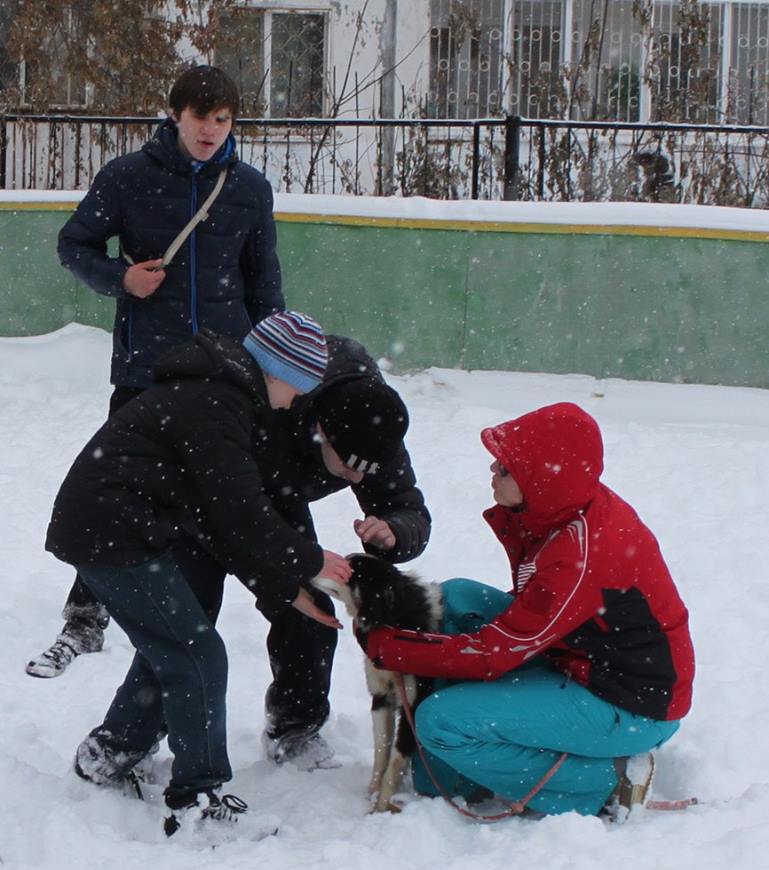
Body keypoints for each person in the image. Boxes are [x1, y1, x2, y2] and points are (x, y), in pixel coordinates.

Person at [45, 311, 351, 836]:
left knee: (176, 646)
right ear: (278, 372)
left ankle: (110, 753)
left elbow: (222, 518)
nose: (297, 401)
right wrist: (311, 560)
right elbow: (240, 512)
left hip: (115, 527)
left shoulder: (221, 394)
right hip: (113, 533)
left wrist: (284, 584)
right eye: (299, 387)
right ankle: (197, 800)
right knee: (197, 652)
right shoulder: (218, 402)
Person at [27, 63, 285, 678]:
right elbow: (74, 244)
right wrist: (122, 279)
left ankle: (191, 615)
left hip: (227, 373)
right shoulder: (127, 179)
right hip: (149, 370)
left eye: (223, 119)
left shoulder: (249, 189)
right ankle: (85, 619)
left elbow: (264, 283)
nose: (212, 131)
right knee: (116, 493)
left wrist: (272, 363)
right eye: (201, 118)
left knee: (223, 490)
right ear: (176, 115)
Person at [363, 402, 695, 819]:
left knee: (439, 724)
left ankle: (605, 779)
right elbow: (531, 616)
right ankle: (479, 761)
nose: (492, 472)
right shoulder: (560, 508)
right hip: (581, 657)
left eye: (504, 468)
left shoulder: (583, 552)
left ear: (541, 479)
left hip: (629, 703)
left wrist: (394, 648)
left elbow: (495, 653)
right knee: (457, 598)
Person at [175, 334, 433, 769]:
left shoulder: (373, 424)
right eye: (348, 466)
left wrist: (394, 531)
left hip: (279, 494)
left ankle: (294, 727)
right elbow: (229, 513)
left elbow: (407, 506)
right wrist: (280, 577)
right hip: (203, 495)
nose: (356, 480)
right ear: (321, 432)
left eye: (366, 470)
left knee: (312, 611)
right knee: (184, 622)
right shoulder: (272, 404)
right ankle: (130, 739)